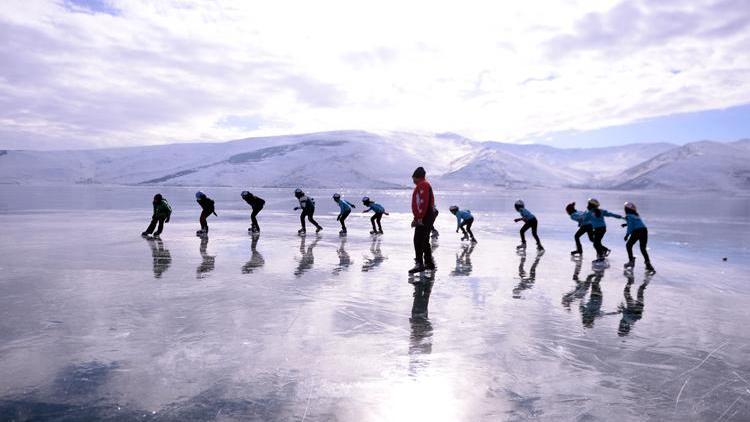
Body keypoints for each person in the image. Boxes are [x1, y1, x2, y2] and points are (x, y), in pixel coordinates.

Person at [409, 167, 437, 274]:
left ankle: (419, 264)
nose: (412, 180)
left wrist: (419, 217)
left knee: (418, 240)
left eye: (413, 178)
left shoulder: (423, 185)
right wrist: (416, 218)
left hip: (425, 216)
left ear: (416, 177)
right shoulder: (422, 185)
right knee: (424, 240)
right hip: (425, 215)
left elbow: (423, 202)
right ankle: (429, 264)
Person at [621, 202, 655, 272]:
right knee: (643, 248)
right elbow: (637, 223)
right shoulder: (636, 215)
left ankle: (631, 261)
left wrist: (627, 235)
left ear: (626, 209)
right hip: (644, 230)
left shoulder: (628, 216)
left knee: (628, 245)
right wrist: (625, 224)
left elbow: (631, 226)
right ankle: (648, 264)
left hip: (637, 231)